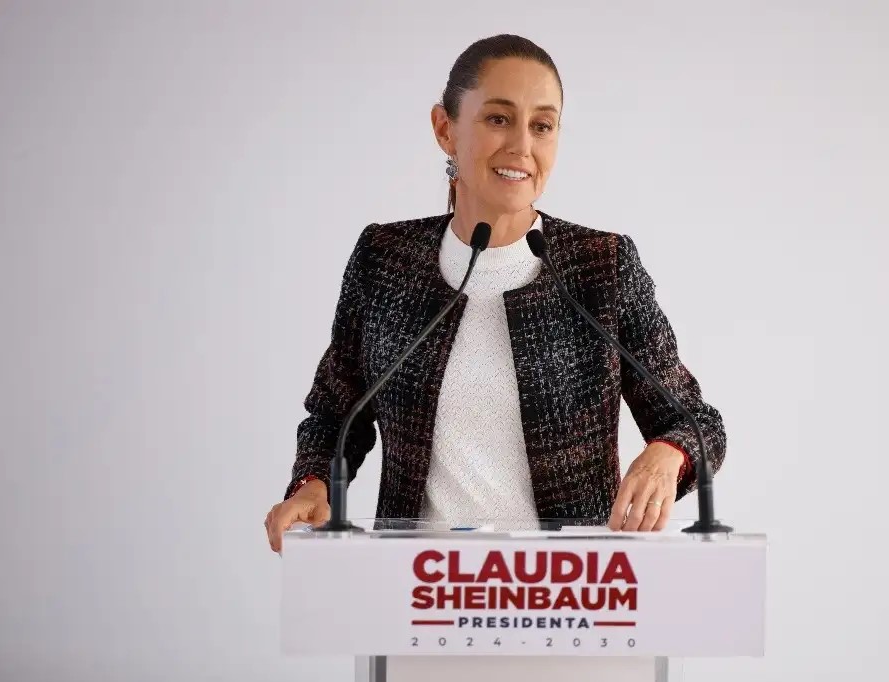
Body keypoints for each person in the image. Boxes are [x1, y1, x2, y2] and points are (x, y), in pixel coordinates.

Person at [264, 34, 725, 553]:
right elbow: (335, 414)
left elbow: (696, 423)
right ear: (445, 128)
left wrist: (667, 454)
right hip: (421, 594)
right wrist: (313, 484)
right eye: (499, 119)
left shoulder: (602, 267)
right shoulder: (386, 258)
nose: (522, 146)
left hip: (570, 596)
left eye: (542, 126)